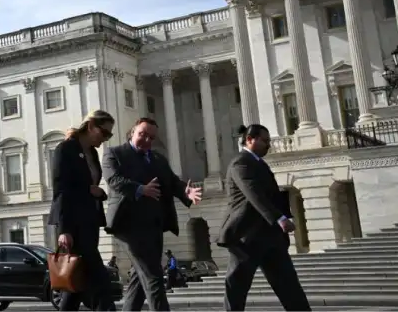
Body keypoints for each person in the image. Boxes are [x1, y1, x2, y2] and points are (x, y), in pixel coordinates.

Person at [103, 118, 202, 311]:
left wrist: (185, 192)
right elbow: (114, 180)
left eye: (151, 137)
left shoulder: (158, 159)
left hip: (154, 226)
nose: (147, 140)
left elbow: (172, 182)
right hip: (128, 226)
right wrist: (141, 189)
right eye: (143, 134)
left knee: (139, 281)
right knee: (153, 277)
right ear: (133, 132)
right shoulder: (115, 153)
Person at [216, 124, 311, 311]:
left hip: (270, 236)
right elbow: (254, 194)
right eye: (265, 141)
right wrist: (280, 218)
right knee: (236, 287)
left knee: (289, 285)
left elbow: (270, 195)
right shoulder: (240, 162)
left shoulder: (259, 163)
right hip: (246, 237)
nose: (269, 145)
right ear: (250, 139)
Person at [48, 110, 118, 311]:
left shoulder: (93, 154)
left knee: (75, 282)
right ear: (90, 127)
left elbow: (90, 187)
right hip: (74, 224)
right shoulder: (65, 149)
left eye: (109, 136)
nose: (105, 139)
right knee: (100, 281)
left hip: (90, 221)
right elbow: (61, 190)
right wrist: (64, 229)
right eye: (104, 133)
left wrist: (99, 193)